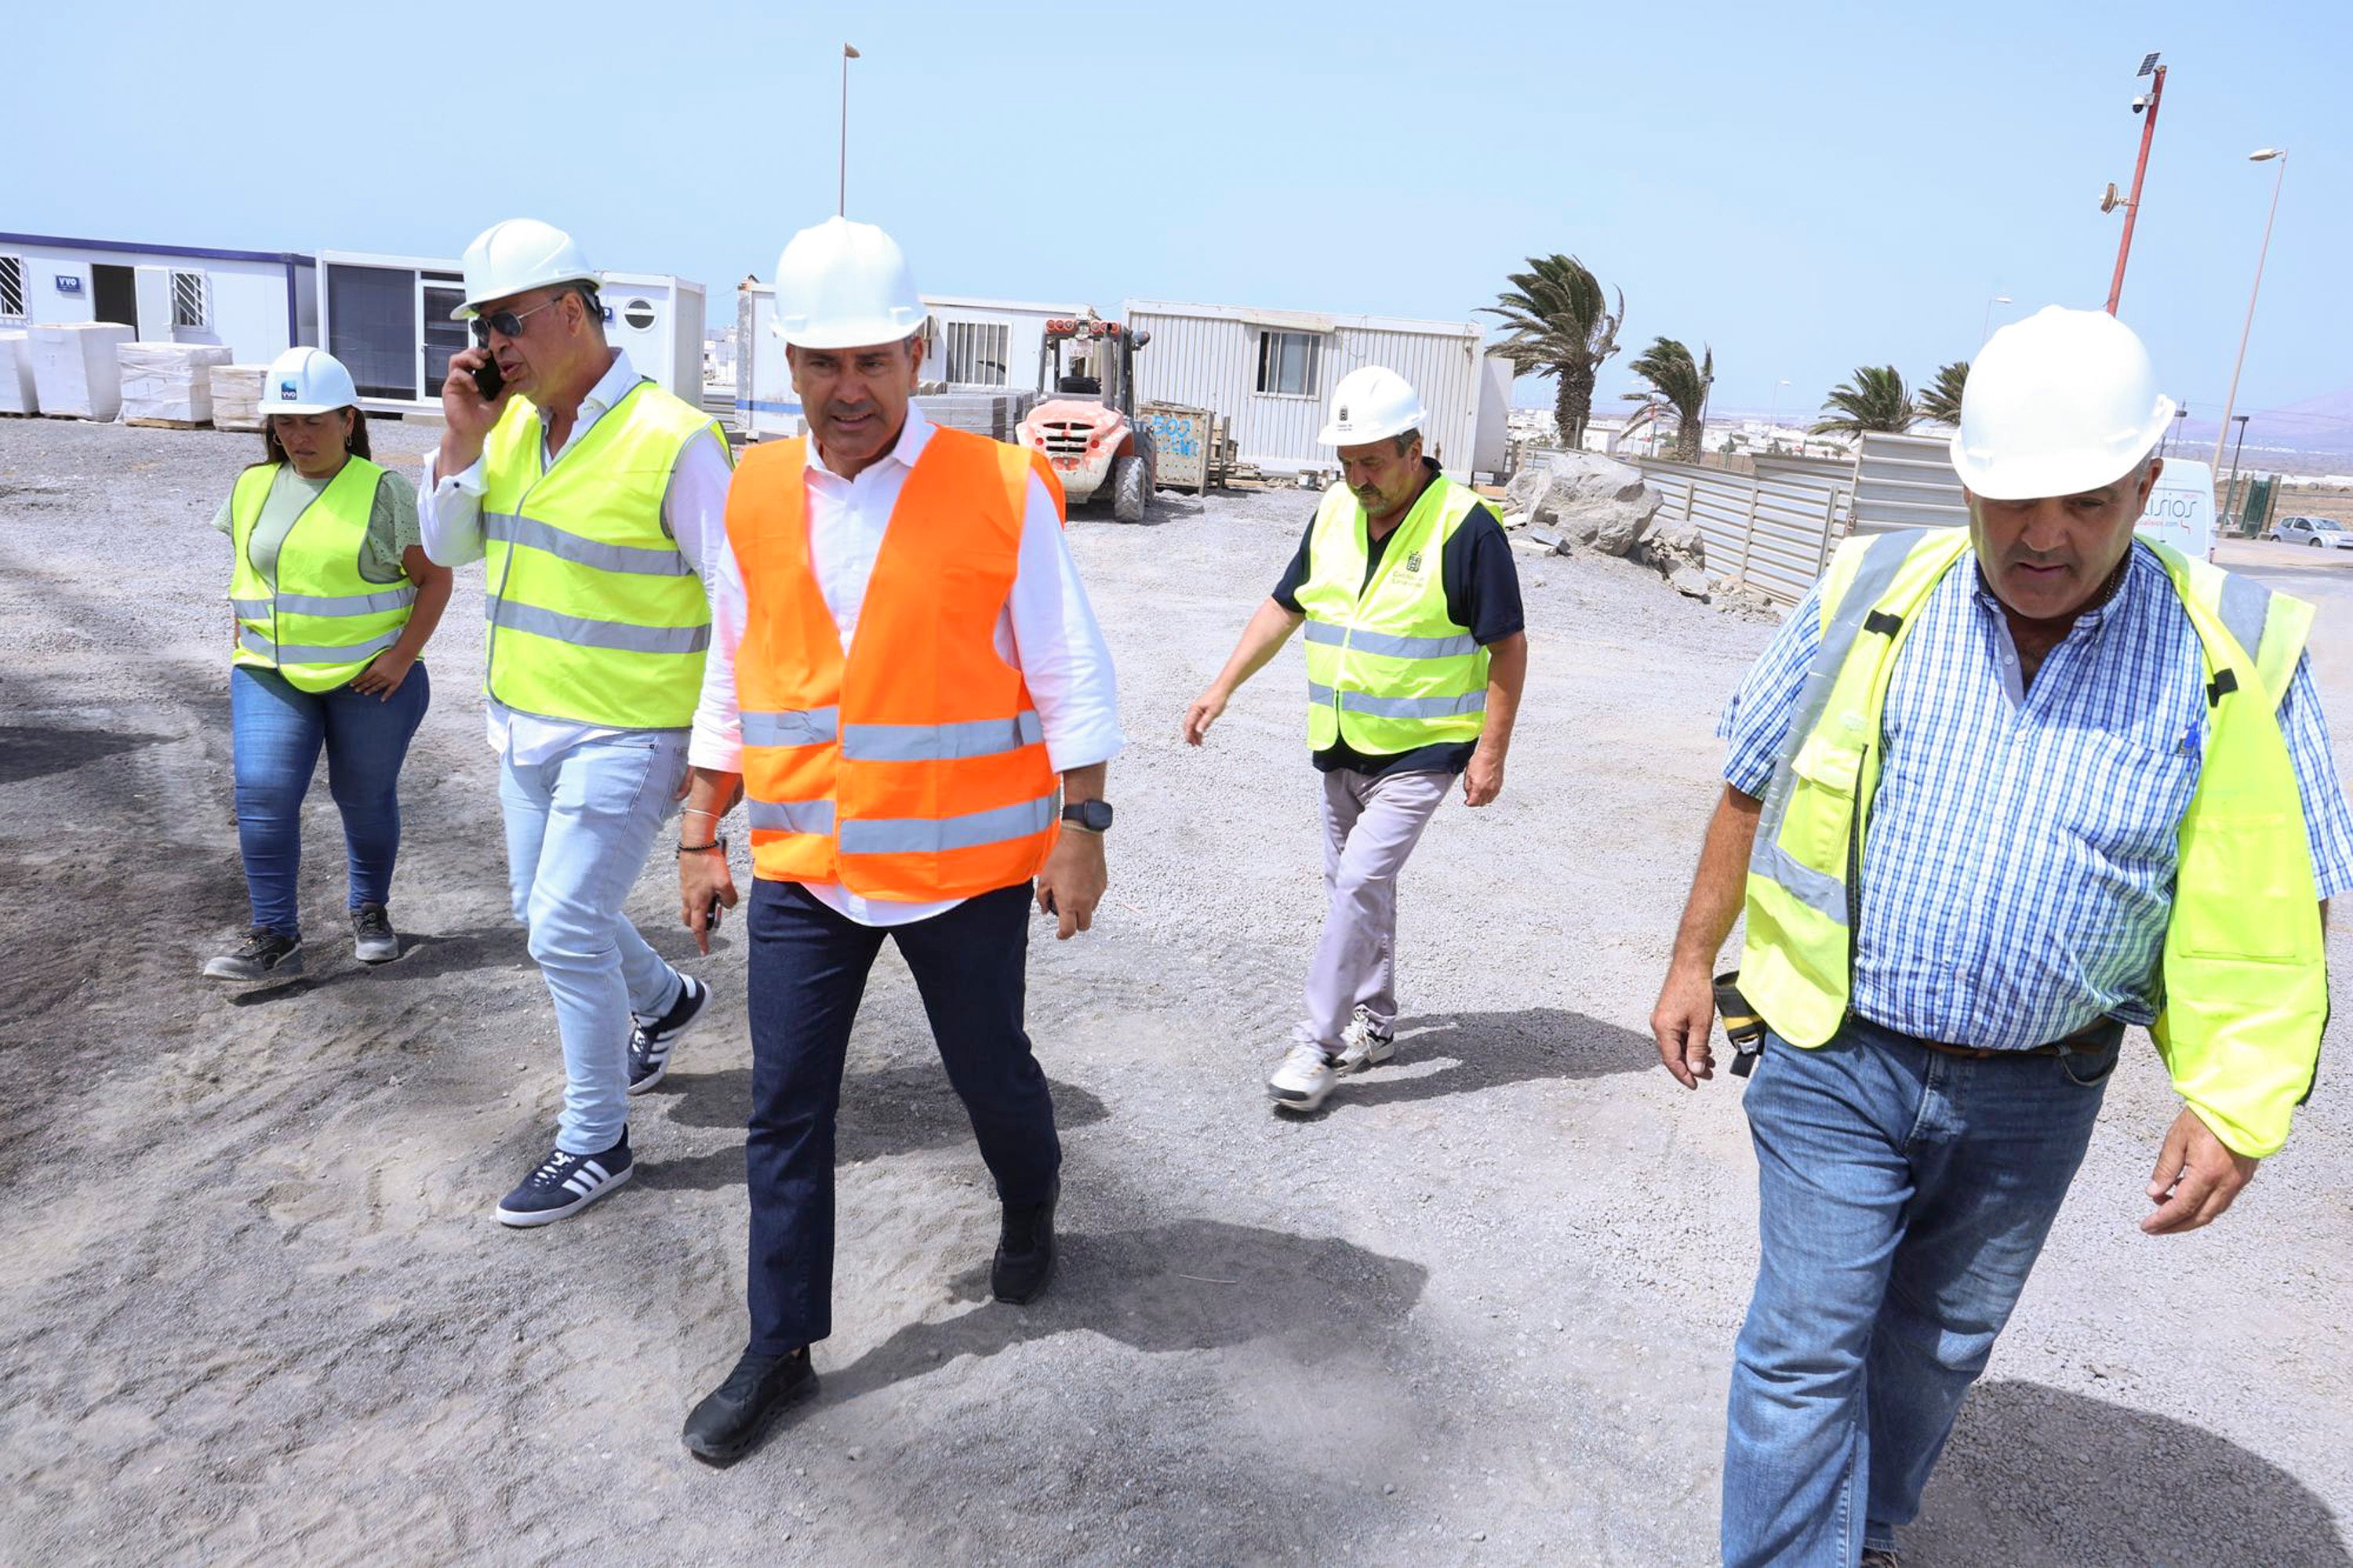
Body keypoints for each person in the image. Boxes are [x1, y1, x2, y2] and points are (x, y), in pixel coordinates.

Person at [1649, 306, 2353, 1568]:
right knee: (1807, 1344)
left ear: (2147, 482)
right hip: (1835, 1056)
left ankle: (1860, 1530)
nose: (2045, 535)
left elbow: (2284, 902)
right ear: (1967, 481)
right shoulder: (1873, 593)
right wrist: (1693, 958)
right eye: (2014, 499)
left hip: (2042, 1092)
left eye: (2086, 499)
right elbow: (1750, 786)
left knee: (1934, 1347)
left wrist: (2239, 1100)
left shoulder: (2236, 649)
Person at [673, 217, 1122, 1464]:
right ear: (791, 363)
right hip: (809, 869)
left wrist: (1080, 824)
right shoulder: (753, 487)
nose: (848, 388)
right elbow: (734, 665)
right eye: (823, 362)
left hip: (962, 868)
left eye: (874, 360)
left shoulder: (1000, 486)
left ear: (920, 355)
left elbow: (1070, 670)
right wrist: (704, 823)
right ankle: (780, 1344)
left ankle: (1030, 1202)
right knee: (785, 1107)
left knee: (992, 1074)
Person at [420, 218, 730, 1228]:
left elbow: (740, 610)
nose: (493, 346)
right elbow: (451, 546)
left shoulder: (673, 438)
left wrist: (718, 769)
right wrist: (459, 444)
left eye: (508, 323)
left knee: (560, 927)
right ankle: (666, 1000)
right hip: (525, 726)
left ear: (572, 312)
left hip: (632, 733)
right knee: (543, 911)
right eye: (481, 326)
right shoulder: (507, 428)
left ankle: (595, 1139)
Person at [1183, 366, 1526, 1113]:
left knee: (1361, 882)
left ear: (1415, 447)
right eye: (1346, 462)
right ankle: (1376, 1018)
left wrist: (1491, 752)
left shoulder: (1466, 527)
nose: (1357, 477)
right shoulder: (1335, 511)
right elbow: (1285, 606)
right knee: (1354, 888)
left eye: (1371, 461)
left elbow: (1507, 645)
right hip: (1342, 742)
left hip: (1424, 749)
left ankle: (1317, 1043)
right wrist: (1222, 685)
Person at [205, 347, 450, 982]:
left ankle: (370, 909)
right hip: (268, 672)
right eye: (286, 422)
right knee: (261, 793)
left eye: (314, 420)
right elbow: (251, 574)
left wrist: (402, 658)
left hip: (371, 679)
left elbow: (434, 580)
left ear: (349, 420)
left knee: (363, 796)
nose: (299, 435)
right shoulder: (251, 485)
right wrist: (247, 645)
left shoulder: (383, 491)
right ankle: (274, 932)